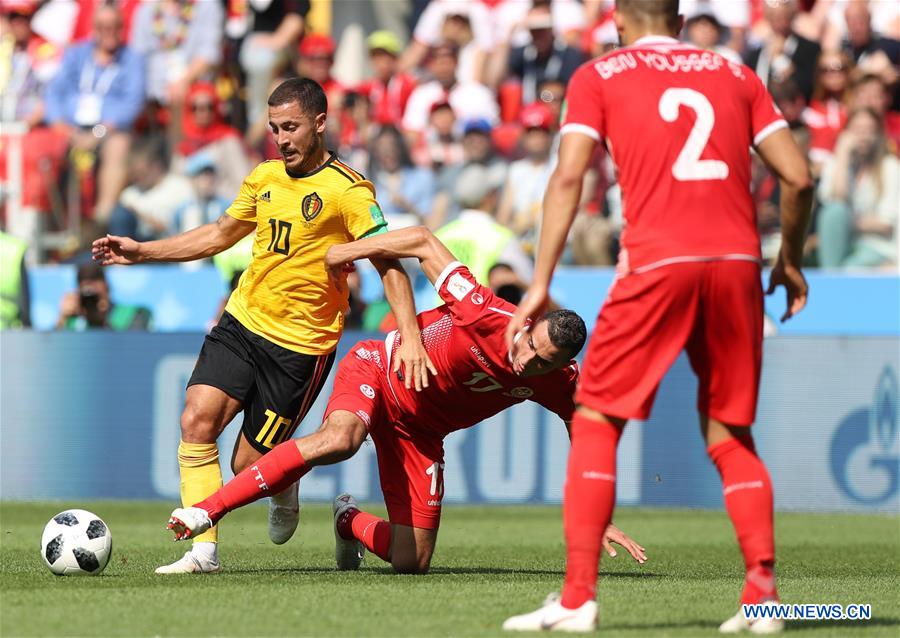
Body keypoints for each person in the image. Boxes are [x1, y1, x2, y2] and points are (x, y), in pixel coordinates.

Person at [503, 0, 813, 632]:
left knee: (596, 418)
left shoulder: (600, 75)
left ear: (618, 20)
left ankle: (576, 600)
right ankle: (763, 598)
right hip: (736, 265)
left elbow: (567, 180)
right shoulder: (737, 75)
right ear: (678, 20)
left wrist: (539, 283)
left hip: (656, 262)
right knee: (730, 433)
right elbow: (799, 178)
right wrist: (792, 261)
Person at [92, 78, 431, 575]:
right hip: (243, 319)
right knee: (195, 420)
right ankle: (202, 551)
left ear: (320, 123)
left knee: (248, 468)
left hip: (300, 347)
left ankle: (285, 483)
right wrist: (145, 252)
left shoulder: (348, 191)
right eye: (275, 128)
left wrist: (411, 338)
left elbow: (390, 264)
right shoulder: (264, 177)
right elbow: (219, 234)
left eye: (291, 127)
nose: (282, 138)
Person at [164, 226, 647, 575]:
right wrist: (348, 251)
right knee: (341, 439)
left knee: (412, 561)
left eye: (542, 363)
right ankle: (207, 511)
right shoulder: (483, 310)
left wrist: (597, 516)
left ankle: (346, 520)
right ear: (528, 323)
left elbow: (585, 439)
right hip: (378, 367)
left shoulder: (563, 380)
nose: (527, 362)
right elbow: (420, 240)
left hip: (420, 432)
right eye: (529, 346)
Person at [44, 2, 144, 224]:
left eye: (115, 26)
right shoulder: (76, 54)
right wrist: (65, 129)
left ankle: (102, 218)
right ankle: (51, 220)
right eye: (103, 27)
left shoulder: (132, 59)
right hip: (71, 128)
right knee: (45, 145)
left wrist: (98, 133)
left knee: (118, 146)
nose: (109, 32)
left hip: (108, 130)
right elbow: (53, 94)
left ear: (122, 28)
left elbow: (132, 104)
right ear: (94, 28)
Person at [816, 108, 898, 269]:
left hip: (878, 247)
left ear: (878, 135)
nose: (864, 136)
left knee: (849, 269)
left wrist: (846, 224)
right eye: (858, 130)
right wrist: (843, 155)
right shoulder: (836, 163)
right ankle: (832, 278)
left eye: (870, 130)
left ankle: (832, 279)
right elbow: (837, 204)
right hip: (844, 245)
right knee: (834, 211)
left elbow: (885, 225)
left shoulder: (891, 167)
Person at [744, 0, 820, 102]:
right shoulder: (755, 55)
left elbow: (808, 87)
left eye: (783, 16)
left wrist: (780, 60)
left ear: (793, 15)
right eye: (774, 17)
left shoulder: (810, 49)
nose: (779, 21)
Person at [56, 262, 151, 331]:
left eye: (95, 294)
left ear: (107, 287)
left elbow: (135, 346)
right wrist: (62, 318)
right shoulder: (73, 323)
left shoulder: (132, 314)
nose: (91, 299)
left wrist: (101, 320)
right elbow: (54, 352)